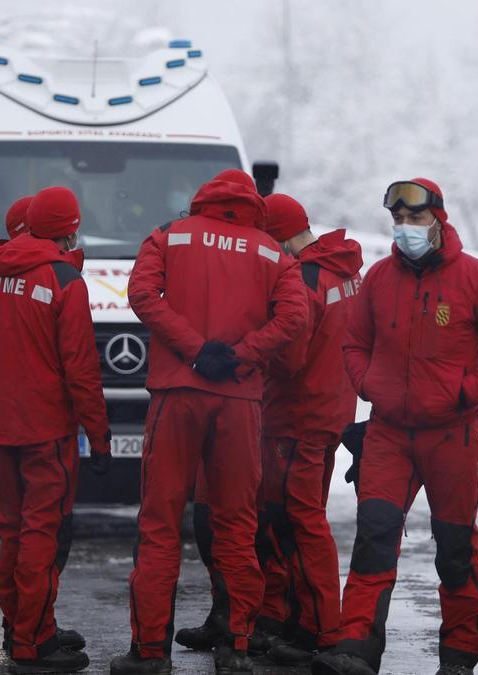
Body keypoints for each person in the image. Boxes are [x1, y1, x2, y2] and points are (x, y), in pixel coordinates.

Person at [312, 178, 478, 675]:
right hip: (388, 435)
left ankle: (458, 657)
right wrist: (369, 386)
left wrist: (461, 393)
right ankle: (356, 650)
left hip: (452, 437)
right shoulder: (380, 279)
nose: (405, 228)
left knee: (454, 549)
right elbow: (353, 345)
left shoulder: (477, 280)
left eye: (415, 219)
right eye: (398, 220)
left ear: (438, 220)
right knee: (374, 537)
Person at [110, 170, 309, 675]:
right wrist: (240, 356)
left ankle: (150, 651)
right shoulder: (272, 252)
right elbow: (294, 318)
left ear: (202, 199)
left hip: (177, 394)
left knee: (159, 525)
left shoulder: (168, 237)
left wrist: (195, 351)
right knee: (238, 526)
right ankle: (237, 646)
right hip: (239, 401)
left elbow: (141, 295)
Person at [174, 193, 364, 666]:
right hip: (327, 414)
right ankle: (277, 620)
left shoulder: (302, 279)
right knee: (285, 522)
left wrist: (242, 354)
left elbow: (290, 358)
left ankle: (317, 629)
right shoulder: (342, 271)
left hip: (293, 418)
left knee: (292, 524)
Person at [0, 188, 112, 674]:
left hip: (0, 428)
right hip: (46, 432)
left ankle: (24, 625)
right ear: (70, 228)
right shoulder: (65, 279)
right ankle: (32, 642)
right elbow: (81, 369)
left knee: (12, 534)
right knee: (42, 536)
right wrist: (100, 434)